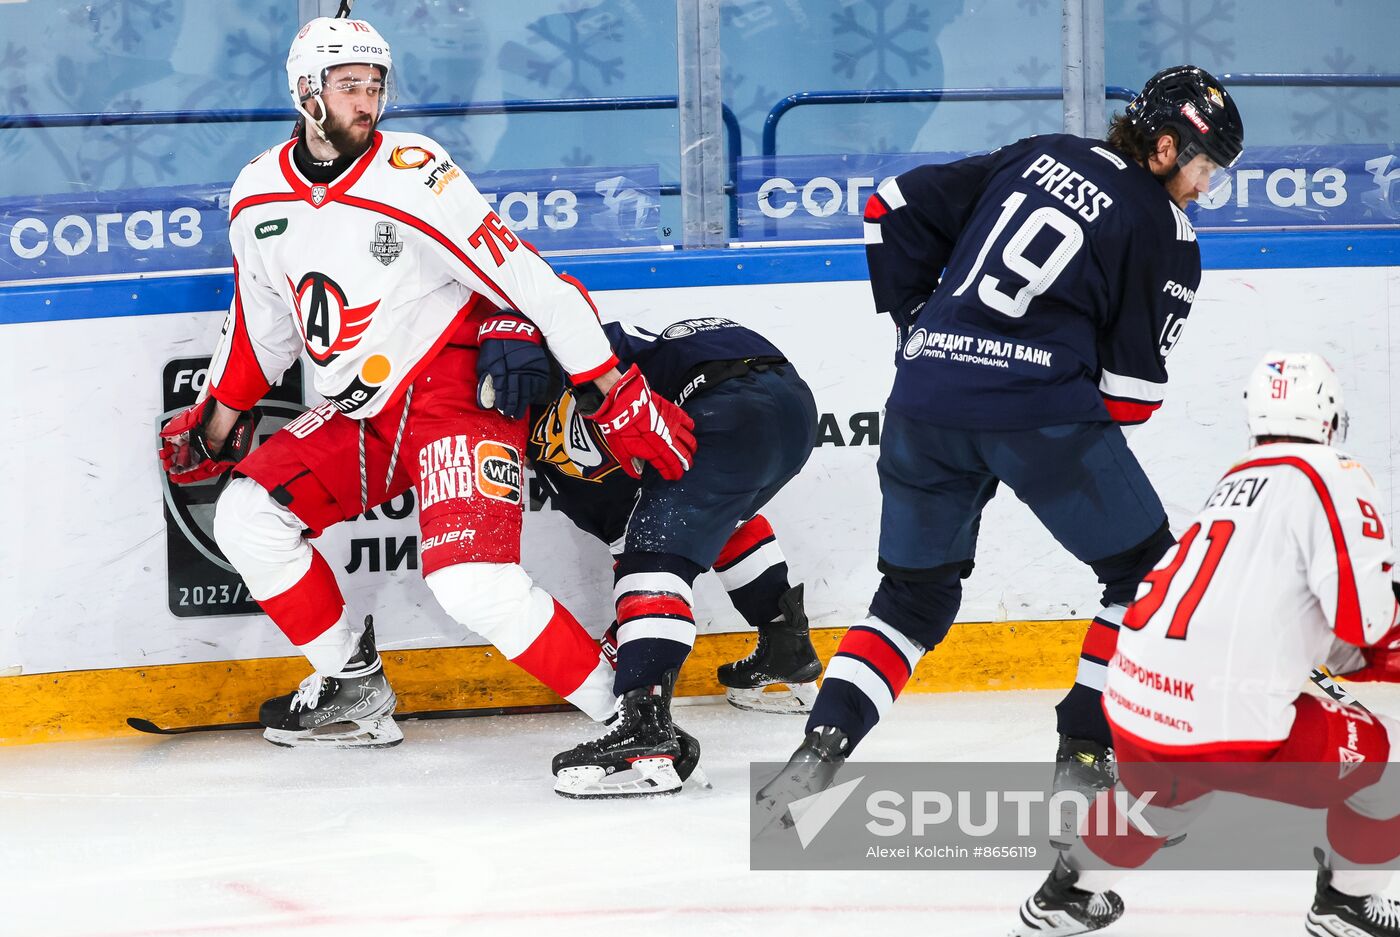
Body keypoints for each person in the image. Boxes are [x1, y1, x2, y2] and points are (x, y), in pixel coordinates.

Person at [156, 16, 695, 749]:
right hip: (358, 413)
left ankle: (632, 721)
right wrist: (218, 418)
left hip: (453, 396)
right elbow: (262, 327)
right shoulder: (256, 192)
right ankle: (349, 682)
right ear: (305, 91)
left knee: (472, 583)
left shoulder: (413, 172)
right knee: (247, 517)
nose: (366, 102)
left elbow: (525, 278)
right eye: (349, 86)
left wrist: (607, 383)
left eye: (374, 87)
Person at [757, 65, 1246, 811]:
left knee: (912, 602)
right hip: (1040, 414)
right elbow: (1133, 399)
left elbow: (889, 205)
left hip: (923, 400)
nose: (1204, 187)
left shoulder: (1038, 151)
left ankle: (817, 755)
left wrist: (919, 323)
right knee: (1146, 579)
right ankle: (1084, 755)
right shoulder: (1164, 230)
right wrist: (1050, 430)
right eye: (1204, 167)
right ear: (1165, 146)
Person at [1005, 351, 1400, 937]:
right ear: (1332, 419)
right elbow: (1367, 622)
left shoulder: (1235, 481)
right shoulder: (1334, 473)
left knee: (1168, 795)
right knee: (1387, 766)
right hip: (1222, 721)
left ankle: (1067, 894)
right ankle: (1347, 909)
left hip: (1134, 699)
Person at [520, 315, 821, 797]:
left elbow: (635, 545)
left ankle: (646, 726)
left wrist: (634, 645)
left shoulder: (529, 405)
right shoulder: (561, 337)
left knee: (653, 559)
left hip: (721, 410)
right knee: (716, 515)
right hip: (790, 402)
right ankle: (787, 646)